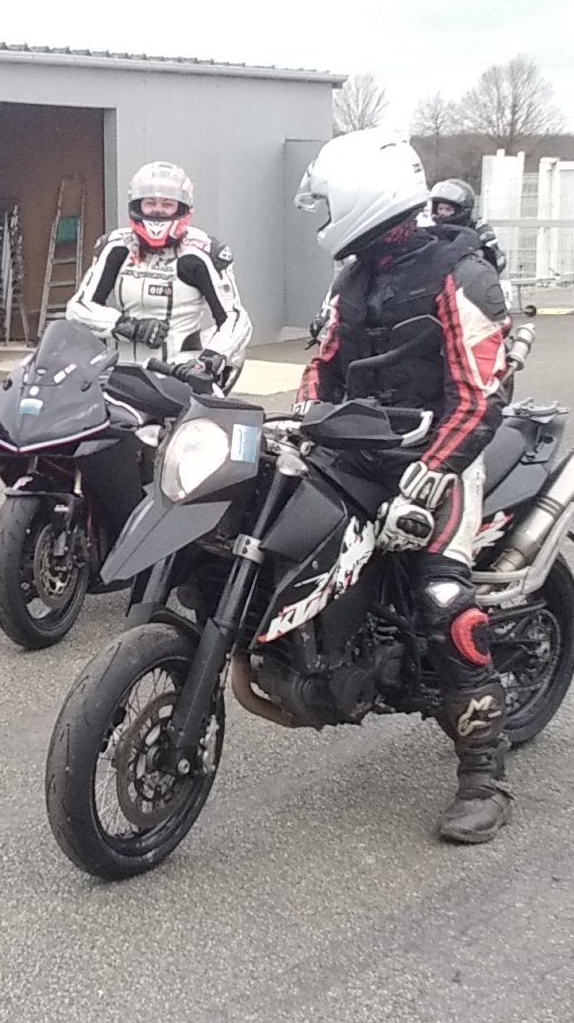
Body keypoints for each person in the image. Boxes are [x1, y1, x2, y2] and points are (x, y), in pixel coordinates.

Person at [295, 126, 515, 846]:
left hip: (441, 455)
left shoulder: (461, 273)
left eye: (328, 200)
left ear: (363, 194)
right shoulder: (353, 275)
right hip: (360, 449)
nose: (323, 215)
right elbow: (324, 363)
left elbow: (481, 394)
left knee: (442, 598)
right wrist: (306, 418)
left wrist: (434, 469)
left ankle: (484, 775)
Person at [63, 162, 252, 384]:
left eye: (167, 204)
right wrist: (127, 326)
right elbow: (78, 308)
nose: (158, 210)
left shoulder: (203, 252)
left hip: (180, 374)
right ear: (137, 206)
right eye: (150, 203)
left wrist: (209, 360)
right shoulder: (115, 246)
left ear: (182, 208)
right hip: (121, 373)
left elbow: (235, 317)